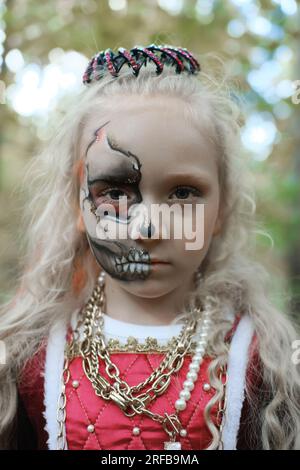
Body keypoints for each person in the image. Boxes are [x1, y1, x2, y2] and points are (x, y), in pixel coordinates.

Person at [0, 44, 299, 450]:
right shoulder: (26, 360)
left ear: (222, 209)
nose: (148, 226)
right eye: (115, 192)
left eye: (182, 192)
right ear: (77, 204)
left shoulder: (266, 362)